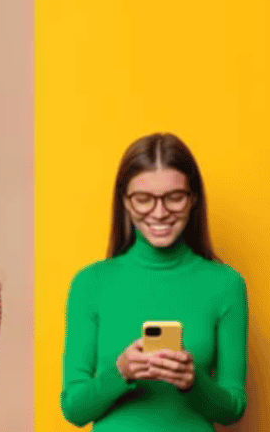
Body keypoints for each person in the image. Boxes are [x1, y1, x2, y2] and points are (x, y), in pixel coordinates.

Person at [60, 133, 246, 429]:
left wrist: (192, 381)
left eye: (174, 197)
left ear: (193, 198)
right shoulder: (89, 283)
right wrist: (120, 373)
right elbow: (74, 410)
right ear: (125, 201)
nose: (160, 213)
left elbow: (233, 408)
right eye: (144, 200)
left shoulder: (225, 284)